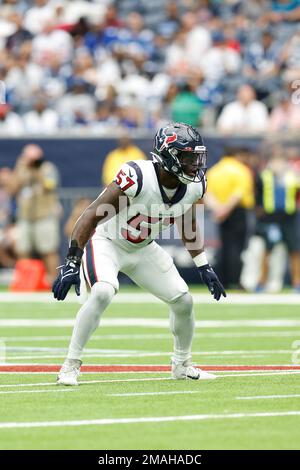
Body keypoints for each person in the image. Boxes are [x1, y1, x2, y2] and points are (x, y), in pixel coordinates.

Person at [52, 122, 226, 386]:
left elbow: (187, 222)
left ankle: (182, 364)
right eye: (187, 157)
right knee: (102, 291)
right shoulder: (137, 176)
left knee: (183, 300)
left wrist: (203, 265)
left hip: (143, 248)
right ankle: (70, 365)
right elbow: (91, 214)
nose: (195, 164)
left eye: (196, 157)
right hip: (108, 242)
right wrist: (72, 261)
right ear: (168, 156)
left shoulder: (194, 185)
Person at [9, 144, 61, 283]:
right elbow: (12, 189)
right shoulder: (21, 169)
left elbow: (50, 185)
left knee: (48, 250)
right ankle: (25, 281)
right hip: (25, 216)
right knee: (22, 249)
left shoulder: (47, 168)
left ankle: (54, 281)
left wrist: (37, 172)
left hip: (44, 215)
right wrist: (19, 169)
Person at [205, 148, 255, 288]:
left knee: (224, 246)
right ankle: (235, 280)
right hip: (237, 212)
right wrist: (225, 210)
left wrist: (219, 210)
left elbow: (207, 193)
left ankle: (223, 281)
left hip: (220, 212)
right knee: (237, 247)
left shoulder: (214, 171)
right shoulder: (241, 170)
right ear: (237, 155)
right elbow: (238, 194)